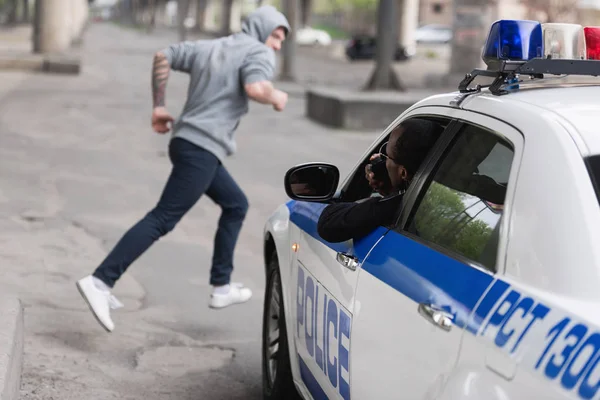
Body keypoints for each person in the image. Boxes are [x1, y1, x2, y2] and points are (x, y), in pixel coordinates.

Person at [76, 5, 291, 333]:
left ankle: (221, 287)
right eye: (276, 35)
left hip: (187, 144)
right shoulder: (258, 53)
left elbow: (163, 56)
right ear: (262, 30)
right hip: (201, 150)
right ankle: (100, 281)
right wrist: (276, 96)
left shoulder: (212, 47)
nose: (276, 44)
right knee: (162, 219)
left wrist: (159, 106)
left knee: (236, 204)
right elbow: (255, 88)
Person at [317, 118, 443, 243]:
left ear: (403, 173)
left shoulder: (397, 206)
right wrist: (392, 184)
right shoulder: (436, 201)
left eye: (386, 155)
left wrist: (387, 197)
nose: (383, 159)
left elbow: (328, 223)